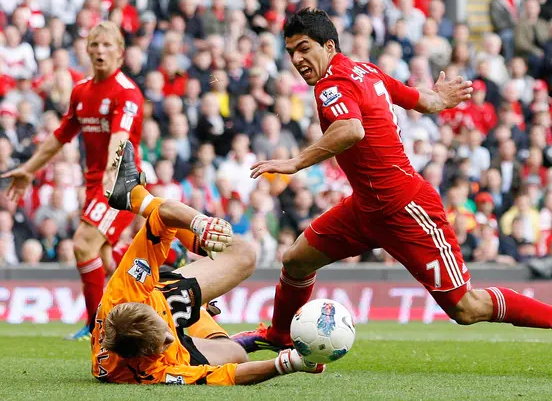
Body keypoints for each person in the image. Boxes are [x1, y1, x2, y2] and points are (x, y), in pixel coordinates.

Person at [233, 9, 552, 368]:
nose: (297, 59)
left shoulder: (334, 82)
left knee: (465, 308)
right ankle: (280, 335)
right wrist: (441, 97)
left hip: (407, 208)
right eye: (291, 52)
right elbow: (425, 101)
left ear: (329, 46)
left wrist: (295, 162)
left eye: (304, 48)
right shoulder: (366, 70)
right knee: (296, 260)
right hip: (366, 208)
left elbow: (351, 129)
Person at [93, 140, 323, 385]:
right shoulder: (155, 371)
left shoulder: (126, 290)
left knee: (244, 254)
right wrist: (291, 364)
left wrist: (201, 225)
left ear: (145, 306)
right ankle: (200, 312)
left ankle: (135, 196)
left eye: (166, 327)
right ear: (149, 353)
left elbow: (163, 214)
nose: (170, 333)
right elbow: (231, 375)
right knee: (237, 356)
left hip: (160, 295)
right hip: (160, 341)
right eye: (166, 338)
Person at [1, 22, 145, 341]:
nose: (99, 51)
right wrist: (29, 169)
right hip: (94, 184)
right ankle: (161, 267)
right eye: (94, 45)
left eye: (107, 45)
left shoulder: (127, 92)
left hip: (122, 183)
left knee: (82, 244)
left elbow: (119, 139)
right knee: (104, 258)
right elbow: (59, 137)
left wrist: (110, 175)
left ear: (120, 52)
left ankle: (95, 325)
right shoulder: (81, 90)